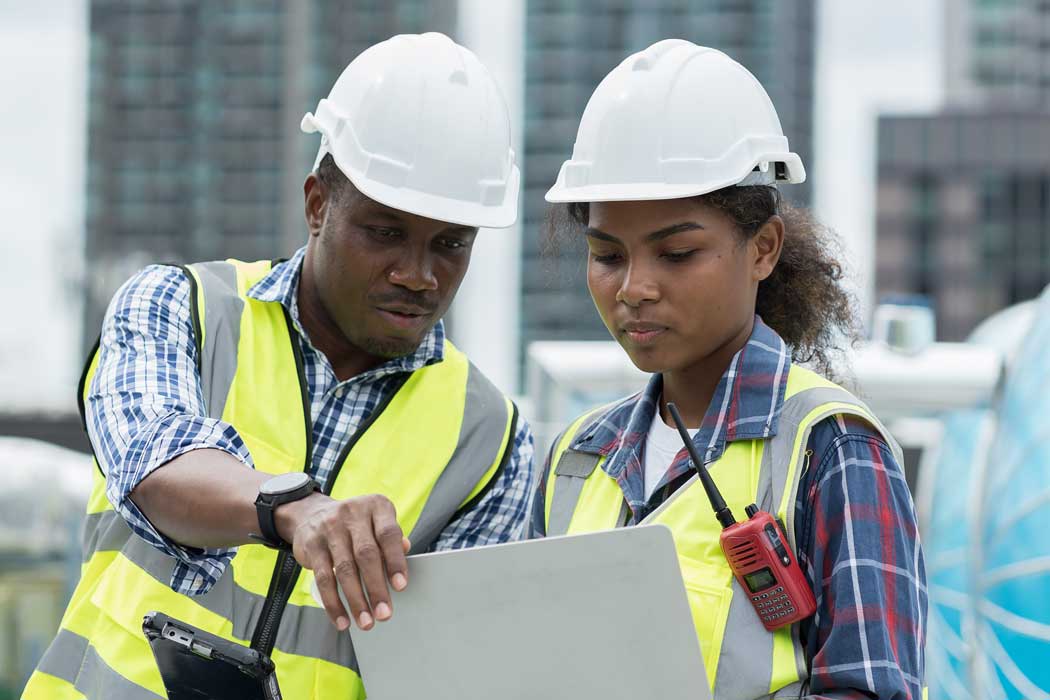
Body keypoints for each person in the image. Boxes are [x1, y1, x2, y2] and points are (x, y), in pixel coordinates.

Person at [23, 33, 533, 700]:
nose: (418, 275)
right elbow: (155, 465)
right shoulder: (181, 309)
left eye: (450, 245)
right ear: (318, 204)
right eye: (385, 233)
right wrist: (293, 509)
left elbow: (448, 671)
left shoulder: (490, 439)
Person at [533, 40, 927, 699]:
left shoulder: (832, 449)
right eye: (607, 256)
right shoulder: (576, 462)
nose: (635, 287)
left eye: (678, 254)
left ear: (763, 249)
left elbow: (871, 687)